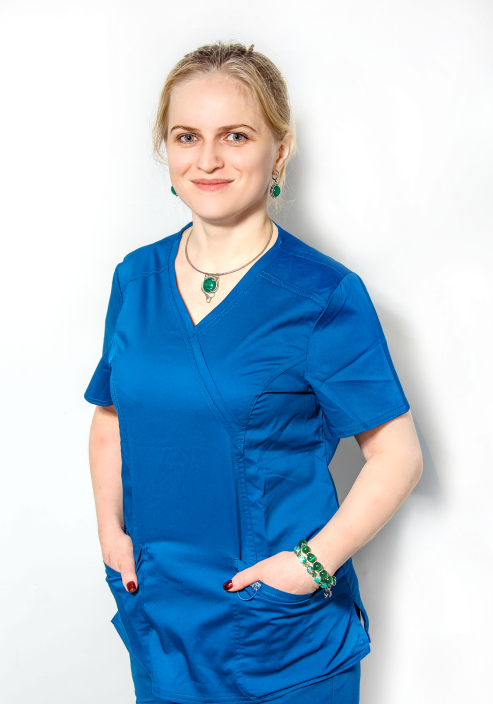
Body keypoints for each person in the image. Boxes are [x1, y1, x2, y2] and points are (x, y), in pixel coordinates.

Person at [85, 41, 423, 704]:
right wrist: (110, 534)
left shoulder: (324, 295)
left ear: (280, 151)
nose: (208, 160)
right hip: (162, 621)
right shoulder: (135, 278)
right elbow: (110, 417)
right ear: (166, 150)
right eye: (187, 136)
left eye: (235, 136)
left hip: (279, 636)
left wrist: (309, 567)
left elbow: (397, 456)